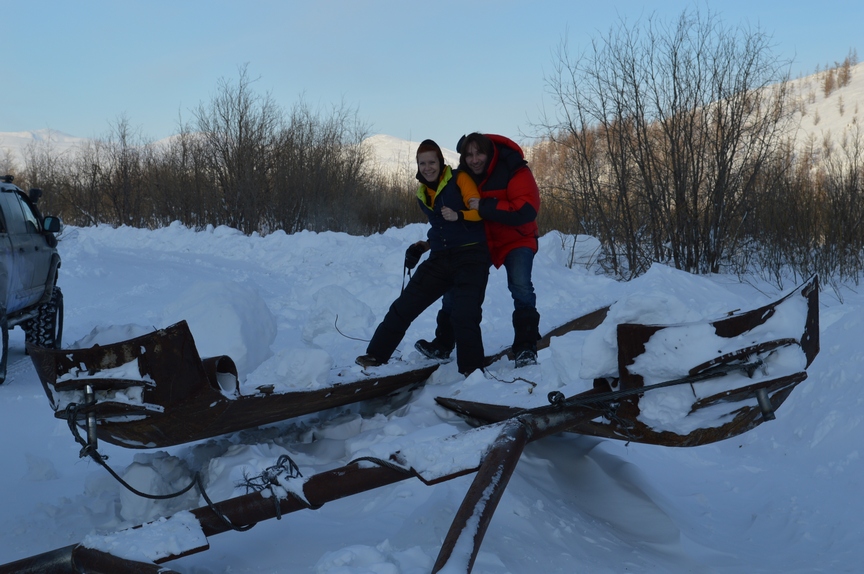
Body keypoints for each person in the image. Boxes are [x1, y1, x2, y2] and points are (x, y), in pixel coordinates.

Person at [355, 139, 490, 376]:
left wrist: (459, 215)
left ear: (441, 162)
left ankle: (472, 371)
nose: (427, 168)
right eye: (422, 163)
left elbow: (479, 211)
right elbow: (440, 227)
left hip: (471, 256)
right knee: (404, 306)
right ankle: (376, 355)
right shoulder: (422, 193)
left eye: (432, 162)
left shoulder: (459, 178)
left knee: (464, 314)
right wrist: (424, 245)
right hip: (440, 257)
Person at [414, 133, 541, 368]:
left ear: (490, 152)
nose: (474, 159)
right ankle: (443, 344)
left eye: (479, 153)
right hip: (483, 241)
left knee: (521, 287)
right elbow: (452, 220)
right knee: (455, 288)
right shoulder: (463, 176)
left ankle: (526, 347)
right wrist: (428, 244)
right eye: (469, 155)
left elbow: (526, 209)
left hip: (516, 238)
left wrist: (485, 206)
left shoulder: (515, 169)